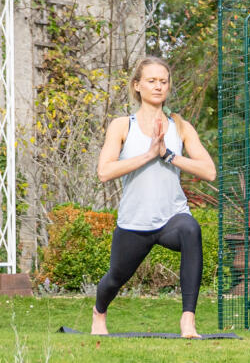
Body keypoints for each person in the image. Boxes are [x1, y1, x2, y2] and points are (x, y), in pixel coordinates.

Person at [92, 56, 216, 338]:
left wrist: (168, 155)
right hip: (135, 222)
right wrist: (149, 154)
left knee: (190, 230)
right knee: (115, 278)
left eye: (163, 81)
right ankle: (99, 311)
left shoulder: (180, 127)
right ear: (137, 85)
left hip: (171, 217)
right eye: (151, 81)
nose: (158, 86)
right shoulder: (122, 125)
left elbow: (209, 171)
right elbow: (104, 172)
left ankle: (188, 321)